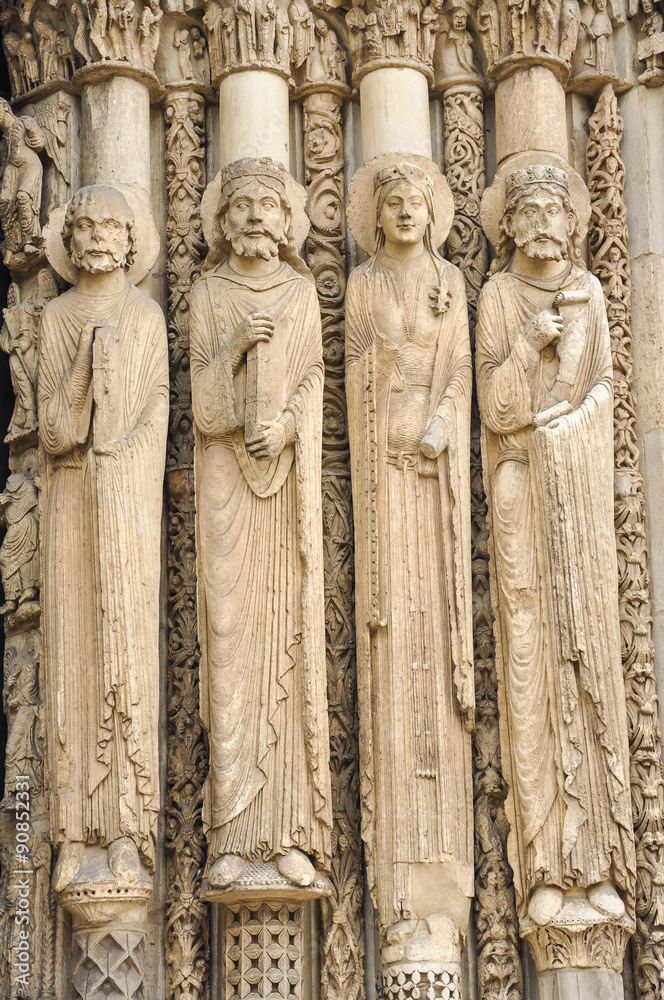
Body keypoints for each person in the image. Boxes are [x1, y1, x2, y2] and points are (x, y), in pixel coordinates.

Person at [476, 161, 636, 928]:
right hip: (520, 492)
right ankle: (544, 858)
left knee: (589, 657)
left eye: (553, 210)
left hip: (576, 482)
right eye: (527, 210)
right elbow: (493, 404)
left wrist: (575, 419)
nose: (542, 221)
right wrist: (527, 349)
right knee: (533, 660)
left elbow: (606, 384)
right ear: (506, 225)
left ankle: (596, 857)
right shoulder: (500, 297)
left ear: (572, 221)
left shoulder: (592, 292)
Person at [346, 159, 473, 977]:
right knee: (393, 656)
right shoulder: (363, 286)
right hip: (381, 488)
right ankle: (397, 891)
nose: (402, 212)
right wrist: (389, 364)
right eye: (389, 202)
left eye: (414, 202)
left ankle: (443, 897)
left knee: (434, 659)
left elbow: (460, 372)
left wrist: (439, 422)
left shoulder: (451, 284)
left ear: (433, 214)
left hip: (433, 481)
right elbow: (354, 367)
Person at [190, 157, 332, 892]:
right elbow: (204, 407)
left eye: (266, 206)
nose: (252, 216)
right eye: (239, 204)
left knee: (287, 647)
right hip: (225, 488)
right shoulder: (207, 296)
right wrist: (240, 346)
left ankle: (286, 833)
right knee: (232, 650)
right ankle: (230, 833)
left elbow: (312, 382)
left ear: (286, 223)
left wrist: (286, 428)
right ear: (222, 220)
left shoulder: (303, 294)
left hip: (282, 483)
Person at [38, 185, 168, 877]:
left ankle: (124, 828)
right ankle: (71, 832)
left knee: (123, 655)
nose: (94, 237)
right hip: (68, 502)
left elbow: (157, 411)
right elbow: (53, 429)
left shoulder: (145, 316)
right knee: (73, 656)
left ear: (130, 240)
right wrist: (87, 369)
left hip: (126, 501)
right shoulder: (57, 318)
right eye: (82, 226)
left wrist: (124, 455)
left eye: (109, 226)